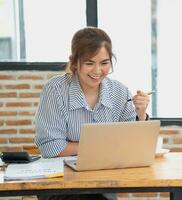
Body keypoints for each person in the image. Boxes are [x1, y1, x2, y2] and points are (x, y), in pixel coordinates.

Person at [34, 27, 150, 200]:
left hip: (103, 183)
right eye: (89, 63)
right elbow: (50, 147)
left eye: (104, 63)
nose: (97, 71)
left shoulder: (120, 91)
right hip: (60, 185)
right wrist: (105, 147)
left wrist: (141, 116)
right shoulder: (55, 90)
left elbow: (131, 146)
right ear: (74, 62)